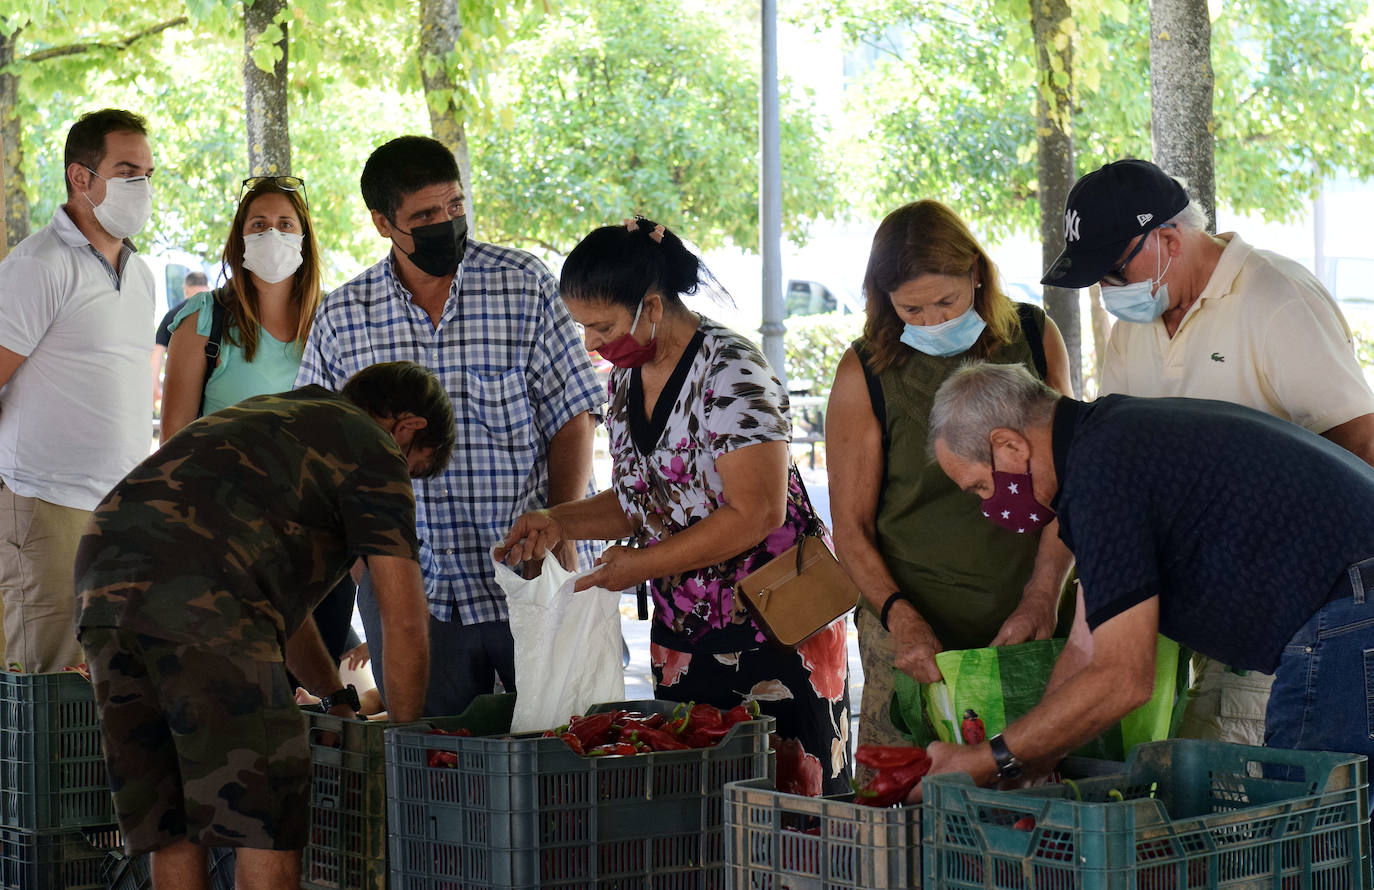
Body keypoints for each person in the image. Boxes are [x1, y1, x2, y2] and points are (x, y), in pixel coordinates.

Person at [497, 218, 852, 796]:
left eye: (601, 325)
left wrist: (641, 566)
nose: (591, 343)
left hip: (778, 624)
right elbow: (643, 500)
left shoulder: (733, 370)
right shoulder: (626, 380)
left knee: (788, 809)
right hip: (686, 633)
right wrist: (559, 519)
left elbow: (757, 512)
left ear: (652, 307)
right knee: (700, 809)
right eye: (583, 327)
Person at [75, 360, 453, 890]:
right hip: (204, 594)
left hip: (103, 581)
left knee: (174, 819)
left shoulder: (278, 417)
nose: (405, 477)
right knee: (265, 820)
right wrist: (407, 738)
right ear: (407, 428)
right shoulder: (372, 446)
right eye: (415, 467)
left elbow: (277, 611)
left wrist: (335, 696)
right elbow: (403, 616)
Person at [1043, 158, 1374, 746]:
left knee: (1235, 796)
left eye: (1114, 273)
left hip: (1295, 607)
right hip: (1200, 605)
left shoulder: (1276, 298)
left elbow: (1360, 446)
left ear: (1168, 238)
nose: (1108, 293)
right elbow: (1115, 469)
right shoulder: (1133, 330)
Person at [922, 361, 1374, 791]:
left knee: (1316, 847)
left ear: (1010, 447)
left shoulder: (1102, 472)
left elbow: (1123, 678)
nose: (988, 506)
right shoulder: (1109, 442)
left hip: (1352, 608)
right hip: (1353, 600)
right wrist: (1032, 758)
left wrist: (988, 759)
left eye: (982, 487)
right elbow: (1087, 646)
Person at [296, 135, 603, 717]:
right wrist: (363, 565)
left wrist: (563, 525)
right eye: (426, 216)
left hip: (532, 579)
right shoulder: (343, 317)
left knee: (557, 757)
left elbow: (573, 413)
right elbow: (319, 454)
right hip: (413, 594)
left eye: (455, 207)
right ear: (383, 223)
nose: (447, 224)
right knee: (434, 770)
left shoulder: (523, 283)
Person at [825, 200, 1075, 760]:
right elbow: (852, 528)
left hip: (1033, 611)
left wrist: (1043, 593)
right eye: (912, 308)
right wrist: (899, 618)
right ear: (882, 300)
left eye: (948, 301)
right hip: (914, 631)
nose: (935, 320)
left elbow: (1074, 483)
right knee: (906, 790)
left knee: (1035, 787)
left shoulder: (1033, 335)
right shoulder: (865, 371)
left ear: (977, 276)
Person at [160, 175, 358, 670]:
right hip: (230, 543)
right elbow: (173, 449)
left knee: (319, 696)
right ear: (239, 238)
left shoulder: (336, 318)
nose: (273, 235)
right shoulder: (204, 319)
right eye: (259, 224)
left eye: (286, 224)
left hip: (322, 547)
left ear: (305, 239)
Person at [0, 108, 155, 673]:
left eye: (148, 173)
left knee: (111, 687)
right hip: (45, 502)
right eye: (127, 170)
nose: (142, 187)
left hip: (119, 510)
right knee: (48, 685)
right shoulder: (37, 265)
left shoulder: (140, 274)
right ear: (80, 177)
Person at [151, 270, 209, 410]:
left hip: (179, 387)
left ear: (186, 289)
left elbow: (157, 353)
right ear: (207, 288)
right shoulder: (220, 313)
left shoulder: (172, 315)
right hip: (212, 385)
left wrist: (154, 387)